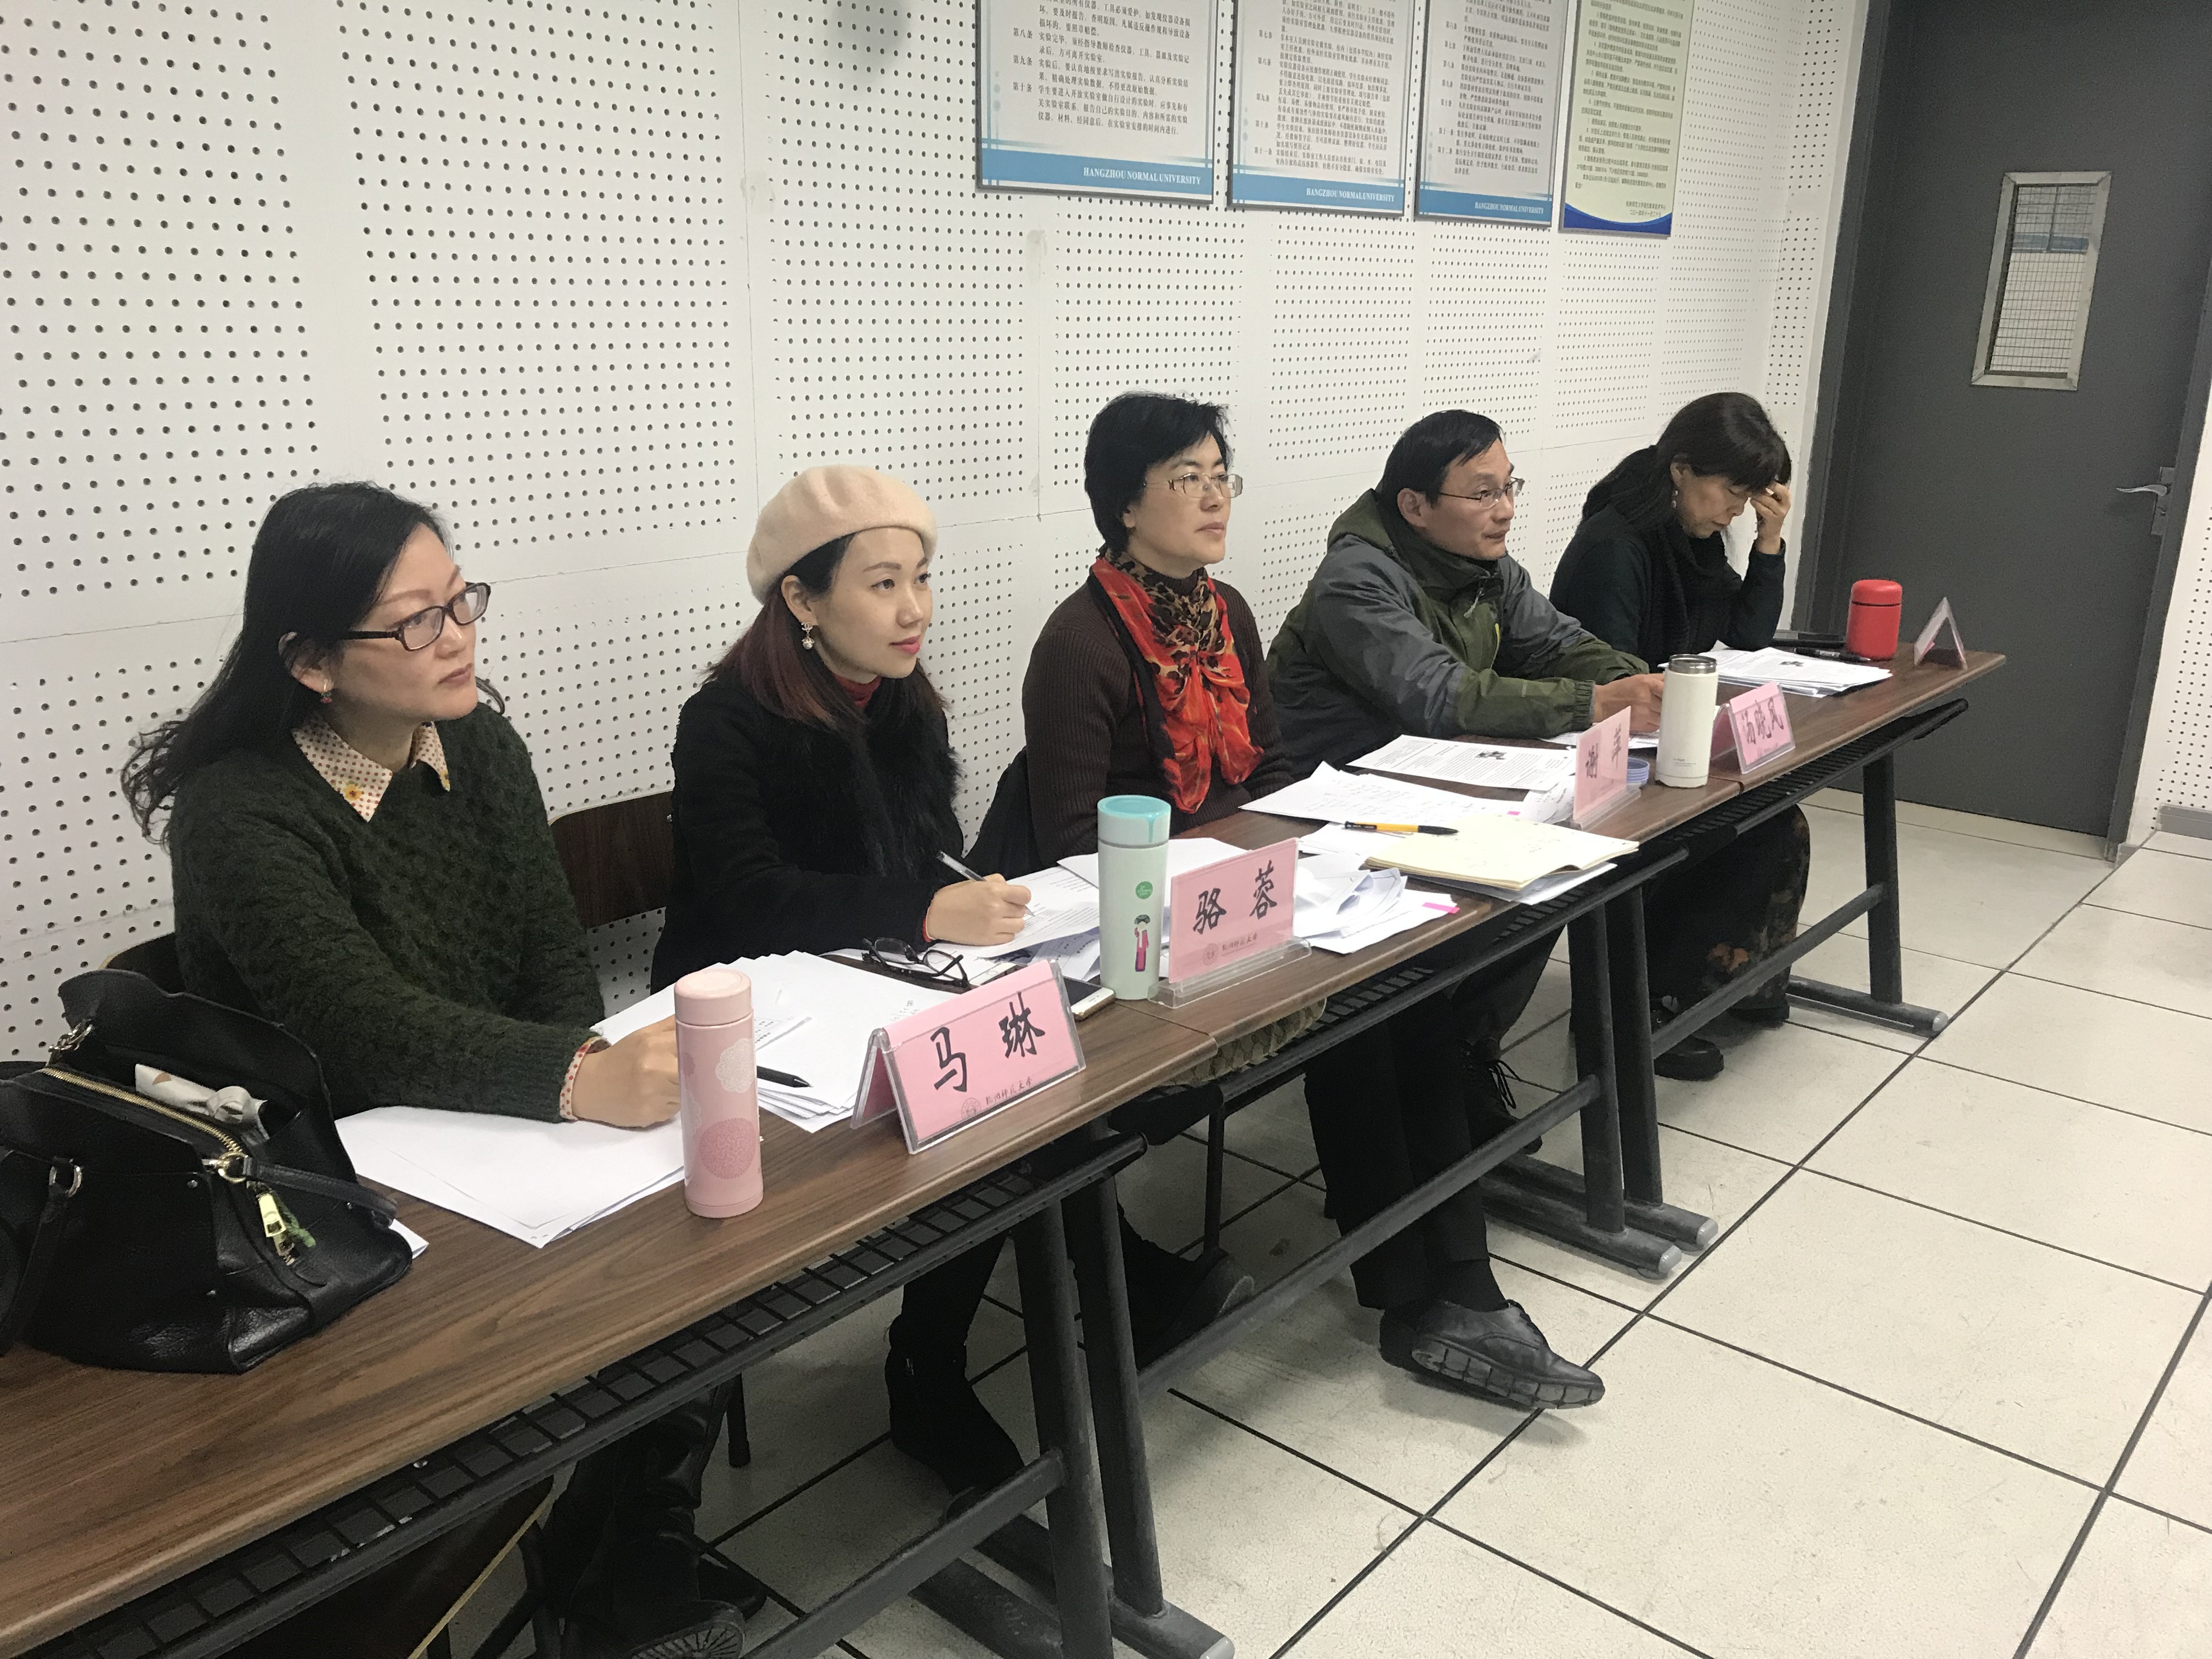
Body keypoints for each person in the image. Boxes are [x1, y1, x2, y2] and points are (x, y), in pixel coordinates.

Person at [122, 483, 752, 1659]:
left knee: (704, 1237)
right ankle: (608, 1557)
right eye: (416, 620)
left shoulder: (480, 744)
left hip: (502, 1135)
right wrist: (573, 1075)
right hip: (344, 1187)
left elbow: (550, 952)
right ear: (311, 660)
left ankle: (624, 1542)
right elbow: (352, 1023)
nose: (457, 635)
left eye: (461, 601)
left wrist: (579, 1080)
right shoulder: (239, 809)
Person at [1022, 393, 1601, 1409]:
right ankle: (1421, 1297)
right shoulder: (1080, 641)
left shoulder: (1227, 611)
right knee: (1365, 1020)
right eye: (1186, 480)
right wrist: (1249, 869)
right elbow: (1076, 847)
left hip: (1237, 898)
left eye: (1221, 477)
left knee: (1406, 992)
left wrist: (1317, 851)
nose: (1214, 498)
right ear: (1124, 504)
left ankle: (1453, 1286)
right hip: (1131, 935)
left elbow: (1273, 770)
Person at [1548, 393, 1813, 1076]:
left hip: (1661, 732)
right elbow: (1611, 682)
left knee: (1774, 821)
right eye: (1732, 492)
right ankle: (1644, 1005)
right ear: (1681, 469)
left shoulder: (1692, 541)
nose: (1736, 511)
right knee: (1718, 832)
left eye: (1750, 497)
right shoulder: (1616, 546)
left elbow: (1746, 635)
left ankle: (1729, 982)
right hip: (1601, 749)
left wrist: (1769, 542)